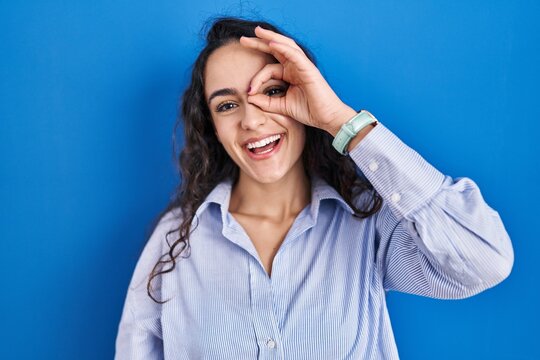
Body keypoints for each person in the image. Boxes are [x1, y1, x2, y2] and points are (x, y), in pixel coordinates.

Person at [115, 17, 514, 359]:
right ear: (212, 128)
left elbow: (484, 261)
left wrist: (341, 121)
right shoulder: (176, 239)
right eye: (227, 105)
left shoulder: (368, 223)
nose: (252, 121)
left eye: (271, 91)